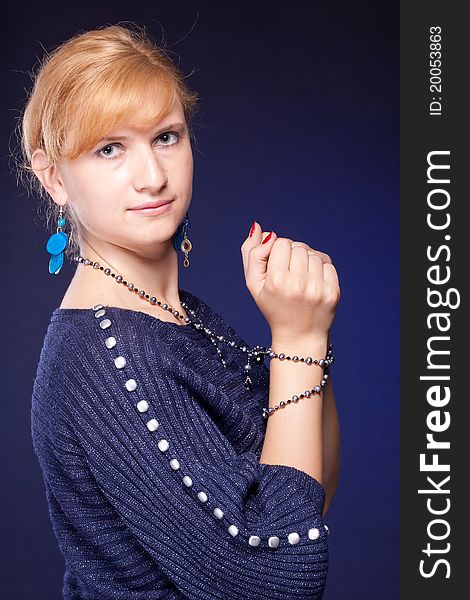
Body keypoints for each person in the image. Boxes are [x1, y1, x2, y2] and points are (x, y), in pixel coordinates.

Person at [18, 22, 341, 599]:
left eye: (165, 136)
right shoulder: (105, 357)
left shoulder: (176, 314)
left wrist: (308, 332)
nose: (153, 177)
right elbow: (276, 583)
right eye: (109, 148)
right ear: (53, 177)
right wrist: (298, 341)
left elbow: (302, 509)